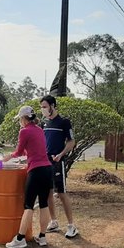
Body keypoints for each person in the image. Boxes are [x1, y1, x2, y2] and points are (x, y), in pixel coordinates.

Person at [3, 106, 53, 248]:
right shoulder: (39, 130)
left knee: (28, 205)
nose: (20, 121)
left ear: (24, 118)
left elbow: (18, 152)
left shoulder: (24, 131)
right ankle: (42, 237)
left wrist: (8, 157)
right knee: (44, 203)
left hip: (36, 171)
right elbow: (34, 149)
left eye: (20, 119)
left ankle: (20, 239)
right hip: (47, 169)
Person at [39, 95, 78, 238]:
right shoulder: (44, 123)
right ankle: (54, 222)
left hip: (58, 161)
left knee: (61, 193)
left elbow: (71, 142)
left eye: (45, 106)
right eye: (41, 107)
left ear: (53, 106)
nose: (43, 109)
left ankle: (71, 226)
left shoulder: (64, 122)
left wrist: (61, 154)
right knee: (48, 192)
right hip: (45, 162)